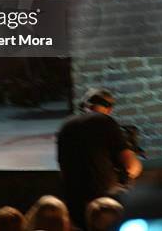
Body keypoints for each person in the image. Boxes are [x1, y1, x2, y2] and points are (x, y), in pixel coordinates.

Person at [57, 88, 143, 228]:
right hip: (103, 204)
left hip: (74, 205)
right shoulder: (105, 121)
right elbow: (131, 165)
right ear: (109, 109)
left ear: (85, 106)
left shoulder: (65, 126)